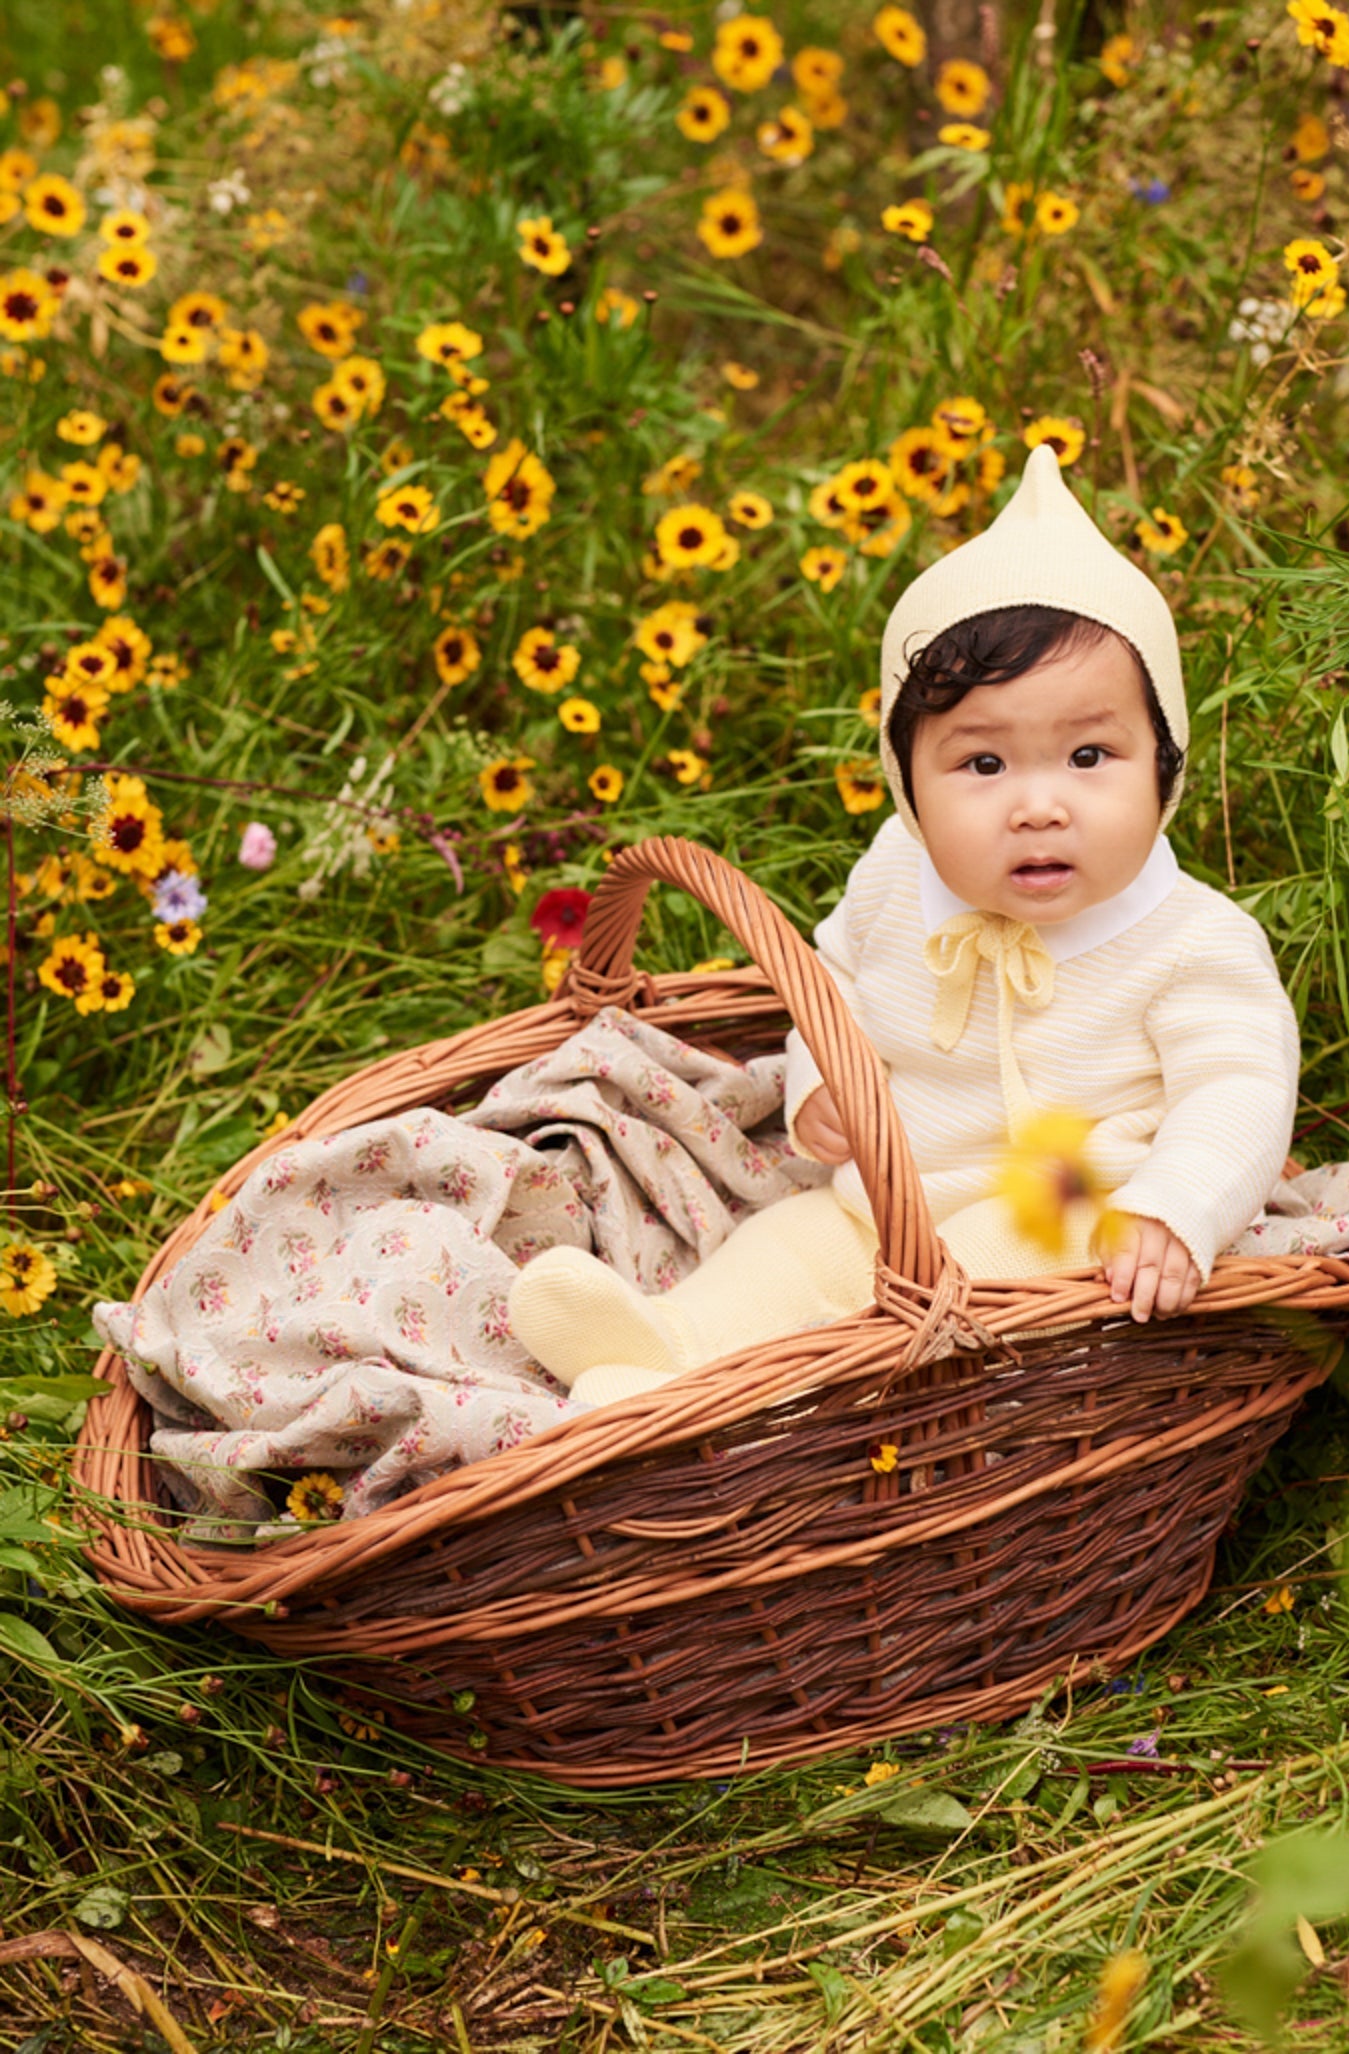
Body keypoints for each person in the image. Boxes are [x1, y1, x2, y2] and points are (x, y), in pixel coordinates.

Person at [506, 445, 1300, 1405]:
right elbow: (828, 982)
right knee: (786, 1254)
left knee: (927, 1303)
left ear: (1165, 767)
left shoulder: (1190, 941)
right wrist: (817, 1089)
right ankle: (662, 1352)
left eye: (1090, 755)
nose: (1039, 806)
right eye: (983, 766)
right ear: (908, 787)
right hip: (876, 1204)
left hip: (1066, 1225)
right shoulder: (897, 876)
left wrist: (1173, 1210)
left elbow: (1242, 1089)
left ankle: (784, 1408)